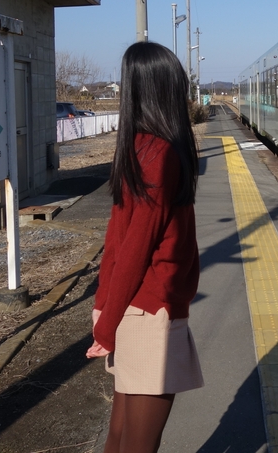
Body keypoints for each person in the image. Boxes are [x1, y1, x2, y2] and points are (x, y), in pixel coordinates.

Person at [86, 41, 203, 452]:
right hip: (152, 310)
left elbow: (116, 241)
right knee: (138, 444)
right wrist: (106, 324)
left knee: (120, 436)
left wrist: (105, 308)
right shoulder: (162, 153)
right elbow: (135, 248)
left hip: (132, 309)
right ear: (164, 89)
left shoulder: (137, 147)